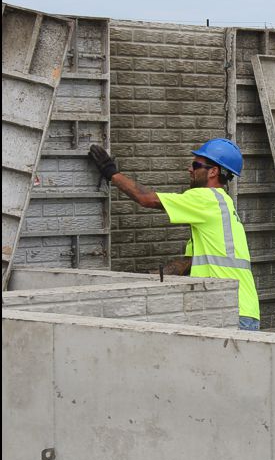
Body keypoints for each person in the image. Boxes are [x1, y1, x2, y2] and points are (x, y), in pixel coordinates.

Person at [89, 138, 261, 331]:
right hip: (241, 309)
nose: (190, 169)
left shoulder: (206, 198)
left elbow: (147, 199)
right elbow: (189, 262)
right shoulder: (222, 205)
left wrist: (111, 172)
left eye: (196, 165)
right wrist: (149, 278)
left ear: (213, 171)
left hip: (230, 312)